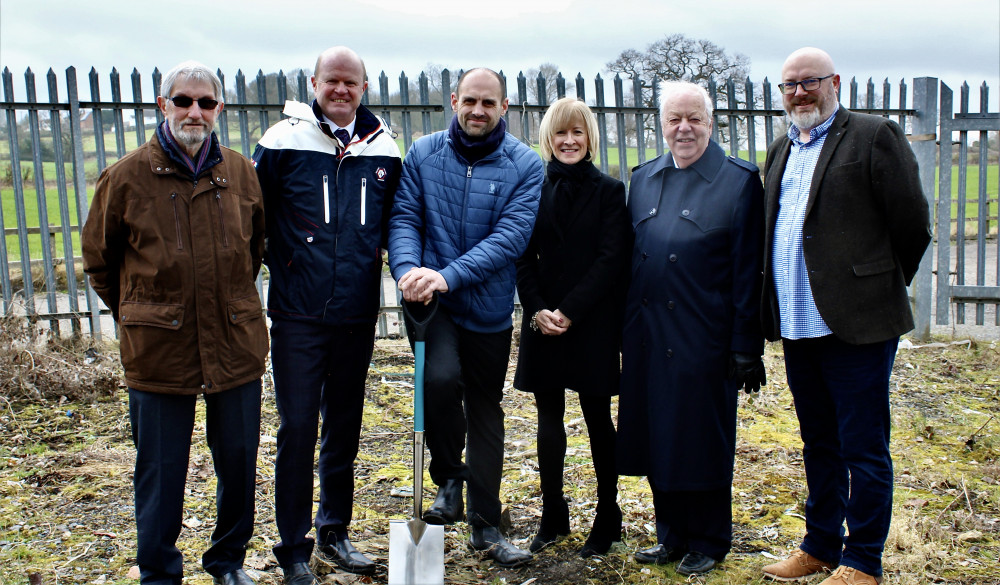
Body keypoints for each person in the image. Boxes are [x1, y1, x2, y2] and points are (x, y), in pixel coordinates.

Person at [82, 61, 267, 585]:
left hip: (234, 342)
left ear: (219, 109)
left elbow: (254, 249)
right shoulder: (125, 177)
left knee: (238, 462)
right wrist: (144, 313)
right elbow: (100, 260)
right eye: (183, 101)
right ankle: (159, 573)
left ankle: (227, 563)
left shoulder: (240, 172)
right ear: (163, 105)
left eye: (205, 103)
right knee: (161, 472)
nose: (194, 112)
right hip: (158, 352)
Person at [759, 48, 931, 585]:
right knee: (818, 442)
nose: (799, 93)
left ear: (835, 81)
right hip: (798, 325)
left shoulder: (873, 135)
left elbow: (912, 223)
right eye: (789, 86)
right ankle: (820, 546)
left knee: (863, 445)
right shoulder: (780, 148)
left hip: (857, 327)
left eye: (809, 82)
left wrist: (876, 287)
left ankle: (864, 561)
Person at [252, 46, 401, 583]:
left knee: (344, 423)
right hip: (297, 313)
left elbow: (396, 223)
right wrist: (284, 263)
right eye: (331, 81)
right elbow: (253, 216)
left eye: (351, 83)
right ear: (314, 82)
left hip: (356, 313)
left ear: (364, 87)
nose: (341, 90)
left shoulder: (384, 147)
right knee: (297, 426)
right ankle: (292, 546)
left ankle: (335, 529)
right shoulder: (281, 141)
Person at [388, 67, 543, 568]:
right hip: (435, 306)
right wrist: (410, 268)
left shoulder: (525, 165)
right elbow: (406, 217)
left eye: (488, 103)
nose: (478, 111)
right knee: (439, 380)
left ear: (504, 108)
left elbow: (510, 239)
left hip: (488, 307)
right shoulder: (423, 153)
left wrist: (447, 275)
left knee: (484, 407)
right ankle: (449, 477)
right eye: (469, 100)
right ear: (454, 99)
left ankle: (486, 522)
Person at [617, 81, 766, 576]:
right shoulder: (643, 178)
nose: (683, 128)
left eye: (693, 119)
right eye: (674, 119)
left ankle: (708, 537)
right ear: (661, 124)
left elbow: (749, 273)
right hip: (647, 333)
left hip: (705, 335)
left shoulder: (738, 180)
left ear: (710, 121)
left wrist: (747, 346)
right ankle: (671, 535)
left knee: (701, 437)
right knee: (658, 433)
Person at [512, 97, 631, 558]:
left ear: (589, 138)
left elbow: (610, 259)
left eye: (577, 132)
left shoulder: (609, 190)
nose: (568, 141)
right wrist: (539, 308)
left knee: (599, 420)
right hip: (543, 322)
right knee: (548, 422)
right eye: (560, 133)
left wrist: (570, 311)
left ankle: (608, 515)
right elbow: (521, 255)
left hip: (590, 322)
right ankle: (552, 514)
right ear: (548, 138)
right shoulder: (531, 188)